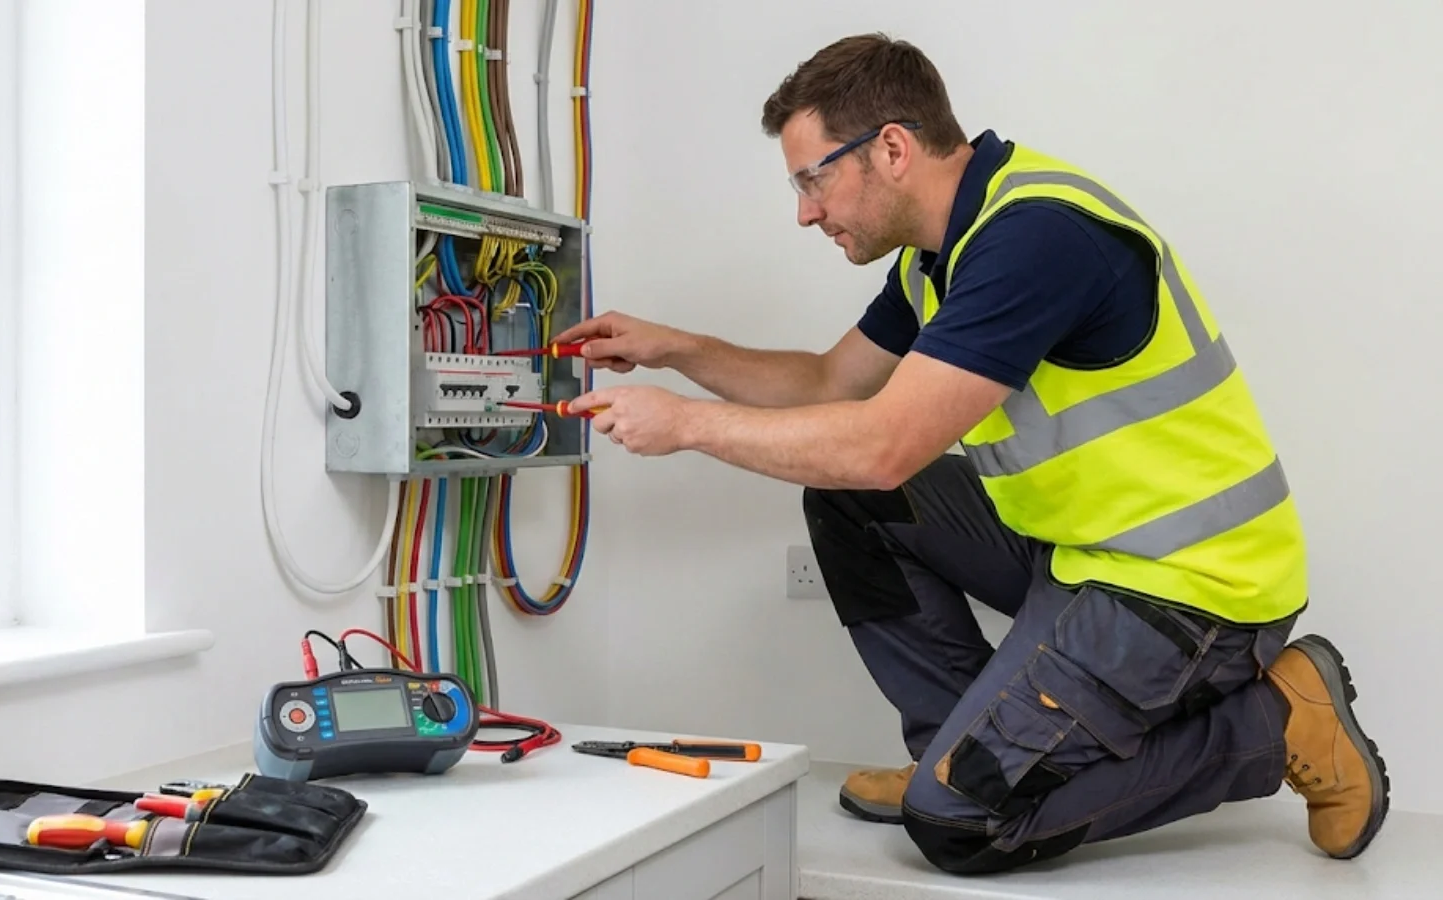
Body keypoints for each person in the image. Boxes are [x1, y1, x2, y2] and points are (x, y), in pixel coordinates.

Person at [554, 33, 1390, 875]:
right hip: (1079, 555)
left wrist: (688, 426)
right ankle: (962, 747)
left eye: (813, 178)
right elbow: (830, 383)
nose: (805, 210)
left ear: (891, 147)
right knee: (847, 502)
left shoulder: (1035, 238)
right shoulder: (939, 257)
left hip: (1193, 585)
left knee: (958, 826)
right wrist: (676, 349)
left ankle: (1277, 720)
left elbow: (882, 446)